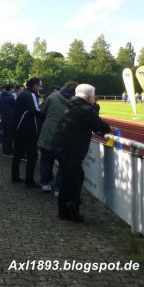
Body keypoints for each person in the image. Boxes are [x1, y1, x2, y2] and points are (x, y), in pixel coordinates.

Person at [52, 84, 112, 222]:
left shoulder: (71, 105)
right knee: (74, 180)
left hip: (61, 147)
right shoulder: (85, 109)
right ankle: (71, 212)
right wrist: (110, 129)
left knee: (70, 179)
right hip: (71, 150)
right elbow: (101, 127)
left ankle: (64, 211)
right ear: (89, 96)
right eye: (93, 95)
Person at [38, 81, 77, 193]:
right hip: (64, 134)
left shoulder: (53, 96)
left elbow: (42, 111)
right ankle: (57, 186)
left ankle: (45, 184)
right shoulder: (75, 101)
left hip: (48, 131)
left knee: (46, 160)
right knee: (63, 163)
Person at [11, 77, 42, 187]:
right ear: (34, 86)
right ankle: (29, 181)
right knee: (32, 156)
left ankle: (15, 177)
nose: (40, 88)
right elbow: (35, 110)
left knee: (18, 154)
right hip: (28, 131)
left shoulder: (23, 94)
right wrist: (46, 113)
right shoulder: (31, 95)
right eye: (40, 86)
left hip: (18, 129)